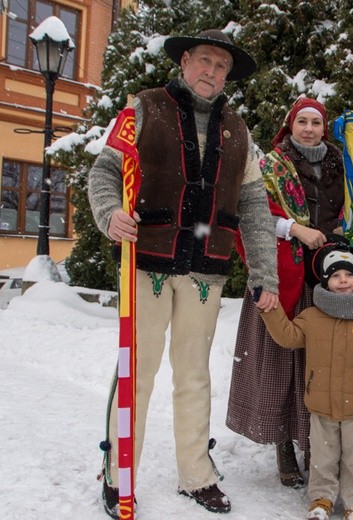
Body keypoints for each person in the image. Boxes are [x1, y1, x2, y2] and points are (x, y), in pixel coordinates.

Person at [88, 29, 279, 518]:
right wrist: (109, 212)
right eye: (205, 62)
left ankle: (196, 474)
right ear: (185, 62)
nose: (212, 73)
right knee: (138, 372)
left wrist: (265, 273)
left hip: (206, 269)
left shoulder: (239, 131)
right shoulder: (143, 109)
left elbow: (255, 206)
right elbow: (106, 169)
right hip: (146, 260)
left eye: (221, 67)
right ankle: (118, 472)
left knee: (193, 375)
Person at [226, 97, 345, 488]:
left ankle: (315, 444)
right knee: (281, 360)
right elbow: (253, 213)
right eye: (302, 122)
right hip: (284, 274)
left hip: (326, 275)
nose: (309, 128)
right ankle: (282, 443)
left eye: (316, 122)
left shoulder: (338, 166)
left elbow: (349, 211)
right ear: (290, 126)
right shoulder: (271, 166)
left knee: (320, 365)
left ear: (324, 127)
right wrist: (296, 229)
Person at [257, 245, 353, 520]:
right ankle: (321, 499)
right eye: (335, 275)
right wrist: (269, 310)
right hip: (321, 405)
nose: (343, 280)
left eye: (348, 274)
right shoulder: (312, 316)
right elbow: (287, 336)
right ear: (325, 282)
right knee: (323, 458)